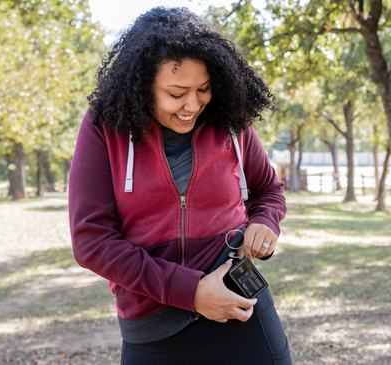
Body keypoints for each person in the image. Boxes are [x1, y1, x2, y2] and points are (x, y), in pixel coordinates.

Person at [68, 6, 292, 365]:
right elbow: (91, 241)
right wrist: (193, 292)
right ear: (142, 87)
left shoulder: (230, 121)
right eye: (176, 93)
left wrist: (265, 222)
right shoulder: (104, 128)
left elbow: (268, 190)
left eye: (203, 89)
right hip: (153, 329)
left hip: (241, 316)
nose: (193, 104)